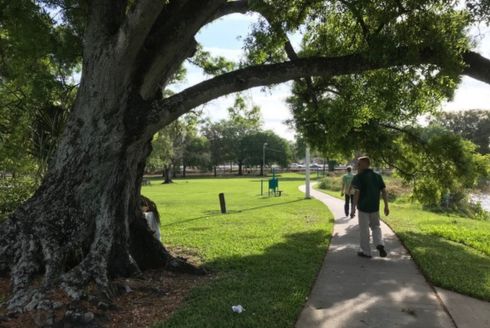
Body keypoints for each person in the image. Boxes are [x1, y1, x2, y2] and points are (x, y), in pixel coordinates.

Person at [351, 156, 389, 258]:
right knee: (376, 227)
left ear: (366, 164)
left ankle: (366, 252)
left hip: (363, 208)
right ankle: (379, 244)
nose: (357, 165)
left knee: (364, 230)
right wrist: (386, 206)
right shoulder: (377, 176)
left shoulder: (358, 177)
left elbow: (356, 194)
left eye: (359, 163)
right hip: (375, 207)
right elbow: (384, 191)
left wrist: (353, 208)